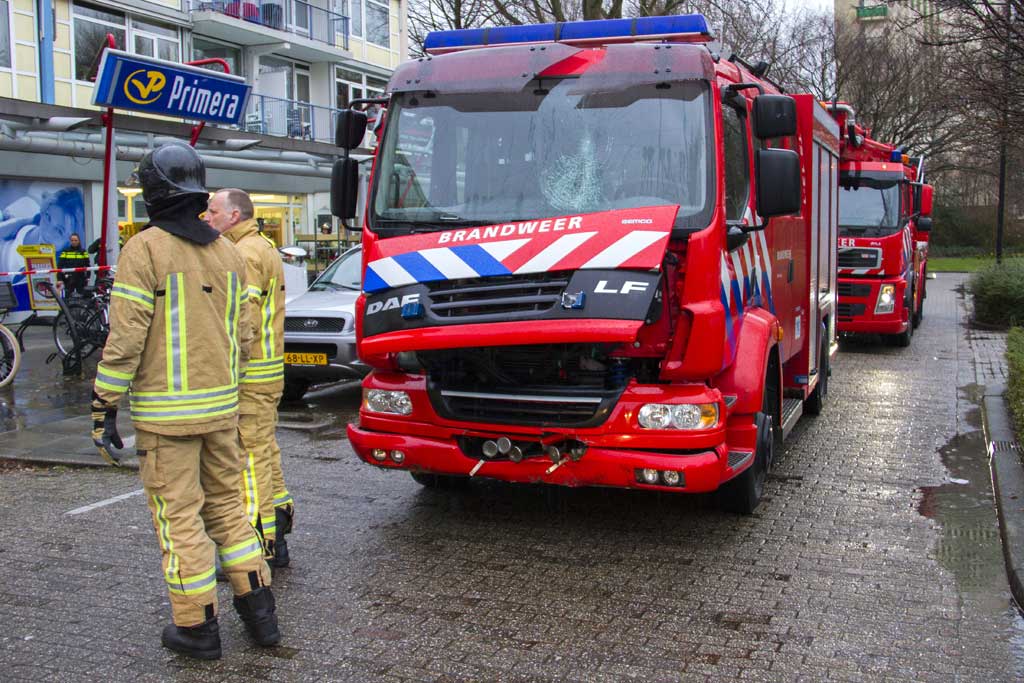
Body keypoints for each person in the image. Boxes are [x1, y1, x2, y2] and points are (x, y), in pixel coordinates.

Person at [89, 143, 280, 660]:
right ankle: (261, 616)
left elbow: (126, 336)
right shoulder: (228, 253)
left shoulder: (145, 249)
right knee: (229, 511)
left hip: (166, 420)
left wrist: (104, 400)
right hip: (222, 413)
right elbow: (243, 335)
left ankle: (197, 629)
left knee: (181, 521)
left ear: (153, 192)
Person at [205, 188, 293, 569]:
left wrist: (231, 369)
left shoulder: (243, 254)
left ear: (234, 216)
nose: (206, 218)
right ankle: (279, 531)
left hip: (250, 376)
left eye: (212, 211)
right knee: (266, 455)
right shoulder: (262, 246)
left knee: (250, 461)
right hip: (267, 373)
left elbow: (247, 318)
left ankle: (260, 548)